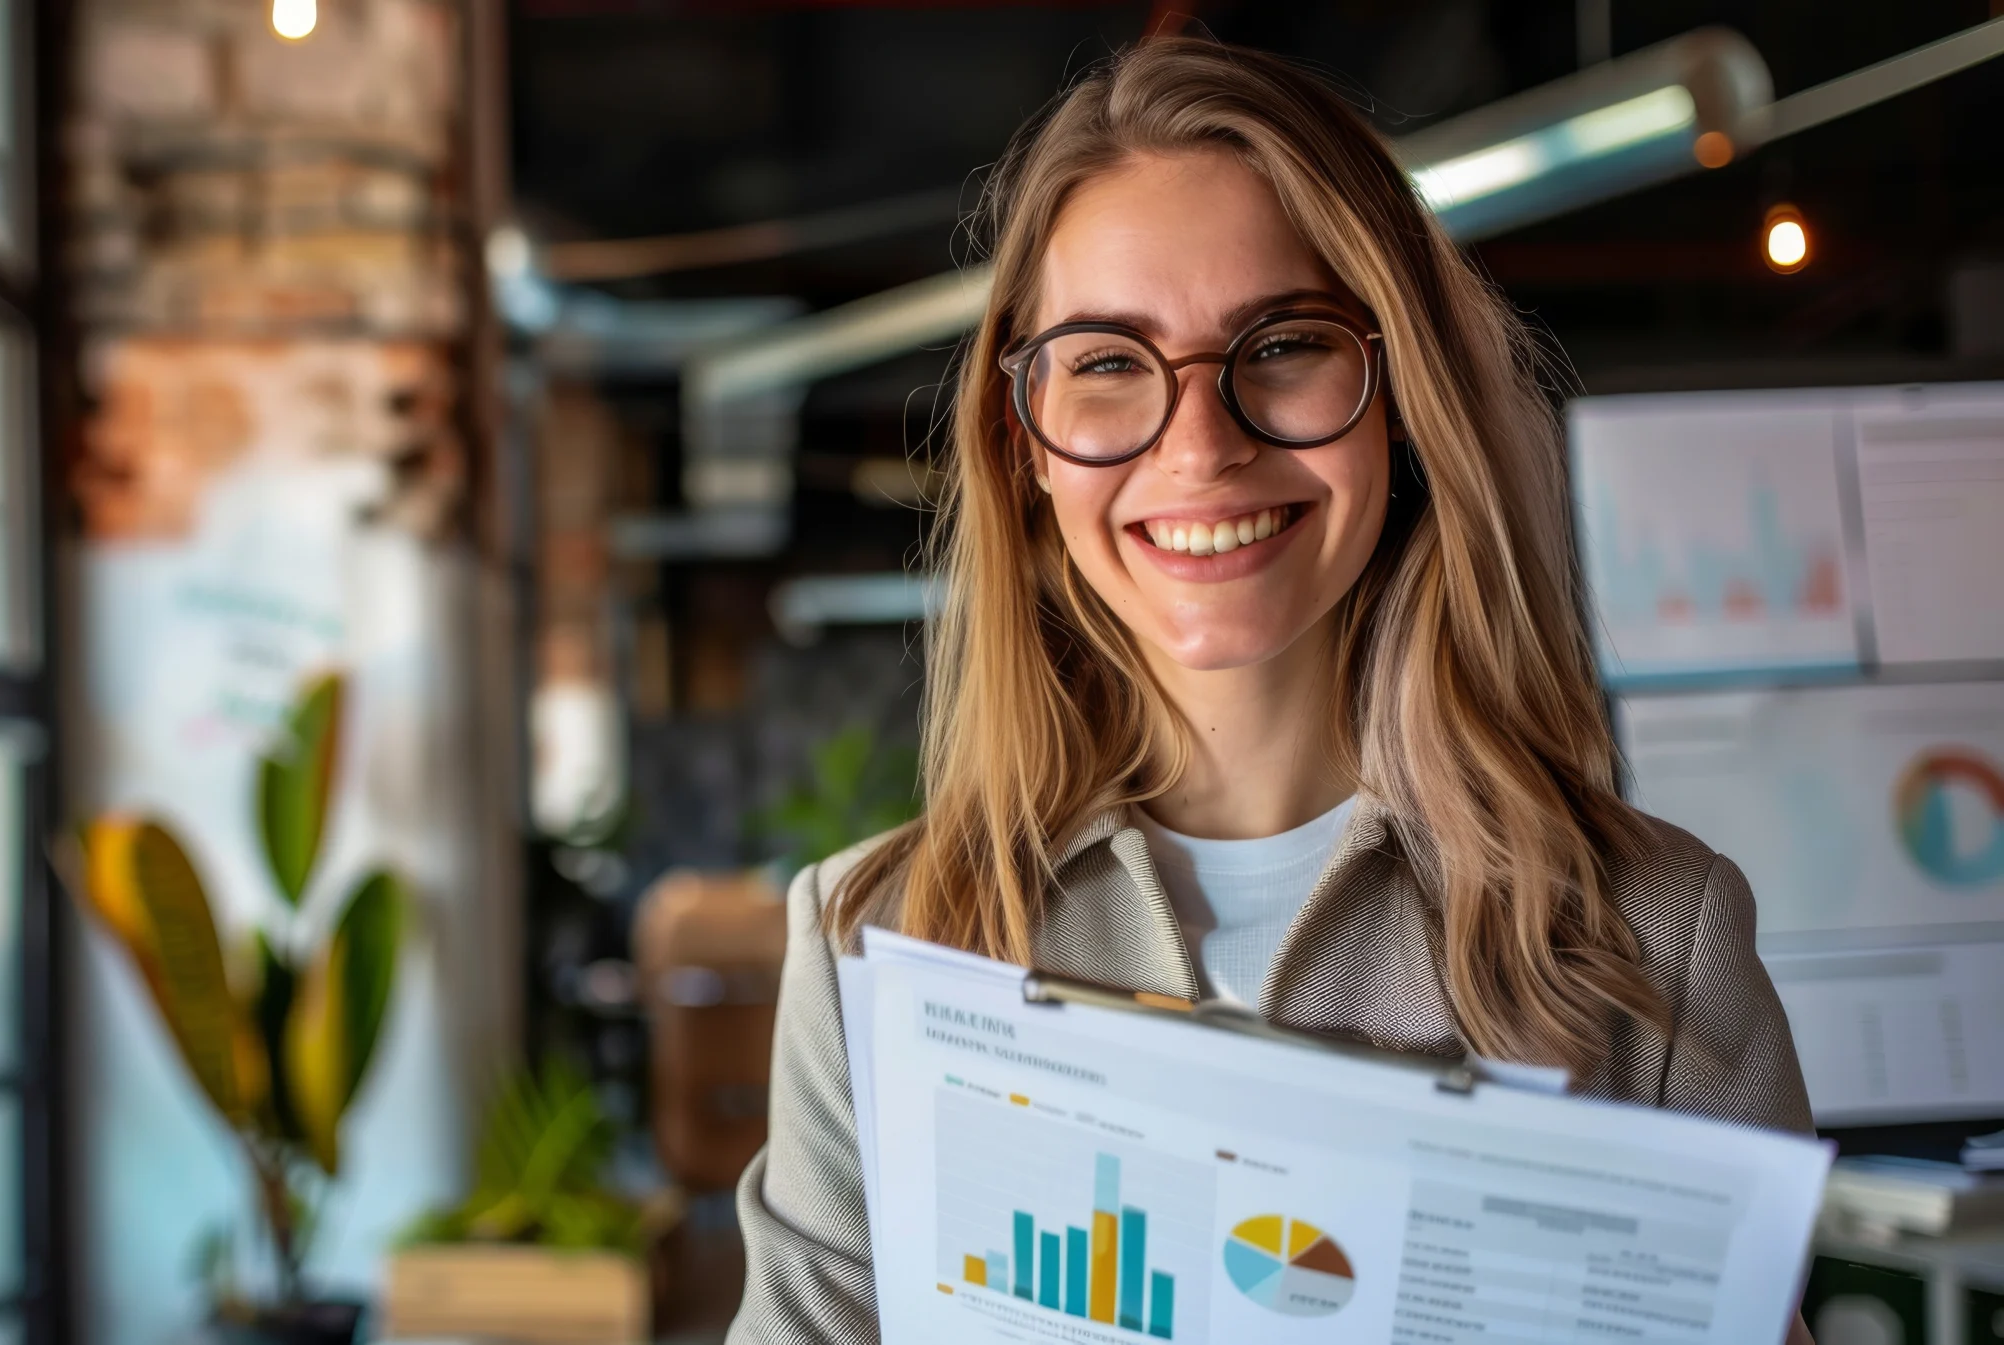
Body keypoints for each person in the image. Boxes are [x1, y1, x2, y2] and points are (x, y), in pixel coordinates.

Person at [726, 36, 1818, 1345]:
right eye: (1110, 362)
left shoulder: (1654, 933)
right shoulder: (874, 943)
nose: (1202, 445)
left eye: (1284, 344)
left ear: (1398, 394)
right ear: (1026, 442)